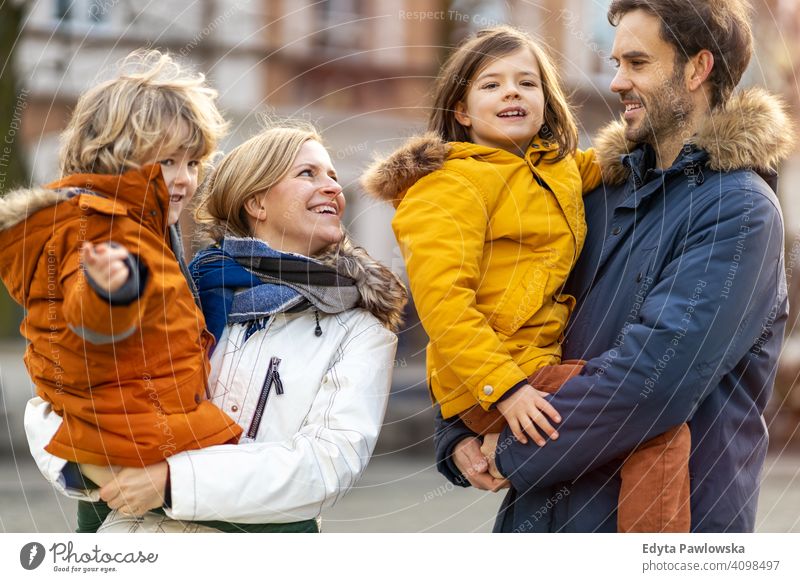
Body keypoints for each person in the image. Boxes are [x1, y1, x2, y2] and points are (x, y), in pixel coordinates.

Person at [434, 0, 793, 532]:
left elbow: (651, 379)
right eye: (616, 61)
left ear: (698, 69)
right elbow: (502, 306)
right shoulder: (596, 195)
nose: (617, 80)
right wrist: (460, 432)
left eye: (637, 63)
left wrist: (508, 447)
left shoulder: (739, 212)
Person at [363, 25, 690, 531]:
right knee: (656, 424)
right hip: (499, 379)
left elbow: (618, 162)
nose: (512, 91)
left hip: (536, 366)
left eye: (527, 82)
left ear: (547, 102)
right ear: (462, 112)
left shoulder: (558, 170)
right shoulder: (447, 187)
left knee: (633, 430)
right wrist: (507, 389)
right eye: (491, 84)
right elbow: (444, 304)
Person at [26, 122, 407, 532]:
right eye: (307, 173)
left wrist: (172, 483)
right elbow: (55, 398)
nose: (334, 187)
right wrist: (98, 470)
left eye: (332, 176)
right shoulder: (172, 295)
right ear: (256, 202)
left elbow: (328, 462)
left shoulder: (359, 329)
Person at [1, 49, 242, 506]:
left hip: (127, 433)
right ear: (116, 157)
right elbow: (83, 324)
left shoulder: (139, 225)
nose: (186, 179)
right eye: (168, 161)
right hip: (139, 439)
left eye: (193, 163)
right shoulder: (103, 228)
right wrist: (111, 291)